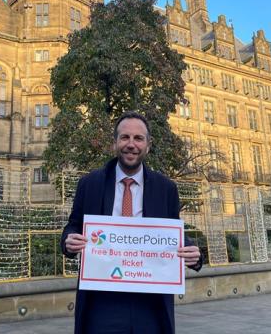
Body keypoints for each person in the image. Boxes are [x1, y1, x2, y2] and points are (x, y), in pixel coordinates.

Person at [61, 111, 203, 334]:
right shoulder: (90, 183)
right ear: (115, 143)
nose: (131, 144)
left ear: (148, 145)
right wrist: (68, 241)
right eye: (125, 137)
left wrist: (194, 254)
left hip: (150, 304)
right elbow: (73, 225)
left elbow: (173, 233)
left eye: (138, 138)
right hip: (102, 302)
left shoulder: (166, 188)